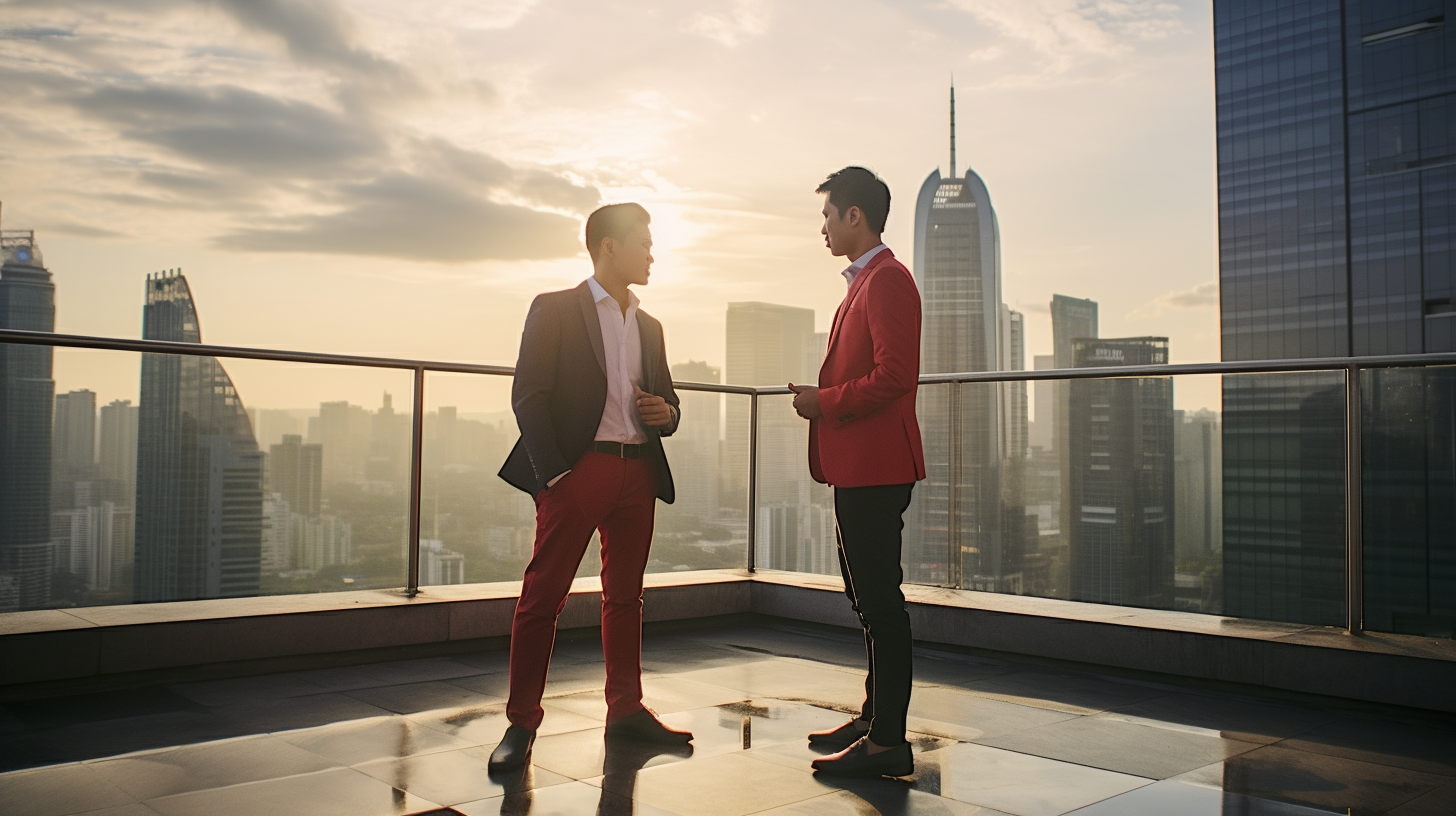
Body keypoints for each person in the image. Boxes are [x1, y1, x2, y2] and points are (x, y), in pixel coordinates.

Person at [491, 202, 693, 772]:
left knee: (626, 596)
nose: (652, 253)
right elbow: (527, 394)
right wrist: (556, 474)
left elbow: (671, 403)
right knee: (543, 597)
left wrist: (666, 414)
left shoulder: (650, 326)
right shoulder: (554, 309)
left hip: (638, 472)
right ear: (608, 246)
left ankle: (625, 711)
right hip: (579, 471)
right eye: (643, 243)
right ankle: (520, 724)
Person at [788, 167, 925, 778]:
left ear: (854, 217)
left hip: (876, 468)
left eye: (827, 216)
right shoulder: (863, 281)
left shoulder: (888, 280)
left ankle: (888, 743)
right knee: (866, 599)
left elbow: (896, 377)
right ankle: (875, 719)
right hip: (859, 466)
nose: (821, 228)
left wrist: (825, 402)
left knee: (879, 603)